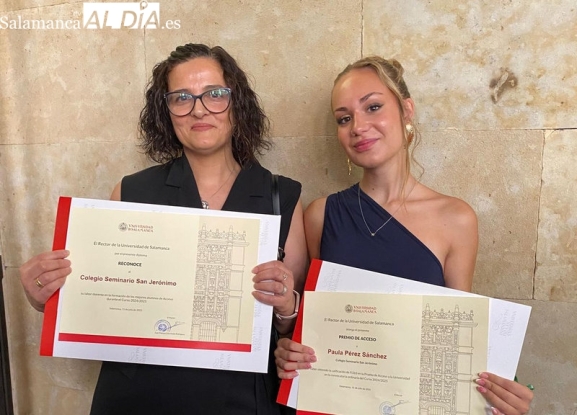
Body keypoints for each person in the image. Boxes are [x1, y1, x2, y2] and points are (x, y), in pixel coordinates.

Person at [19, 43, 307, 415]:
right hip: (139, 396)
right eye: (181, 98)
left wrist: (287, 307)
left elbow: (290, 333)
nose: (198, 109)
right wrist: (45, 296)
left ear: (236, 103)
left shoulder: (281, 197)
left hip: (241, 398)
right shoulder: (131, 192)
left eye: (214, 94)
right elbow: (103, 297)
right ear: (166, 111)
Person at [274, 56, 534, 415]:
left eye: (373, 107)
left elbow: (460, 339)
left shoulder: (456, 219)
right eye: (344, 118)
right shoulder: (320, 215)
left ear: (406, 110)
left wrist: (502, 395)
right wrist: (288, 348)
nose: (358, 127)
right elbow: (307, 326)